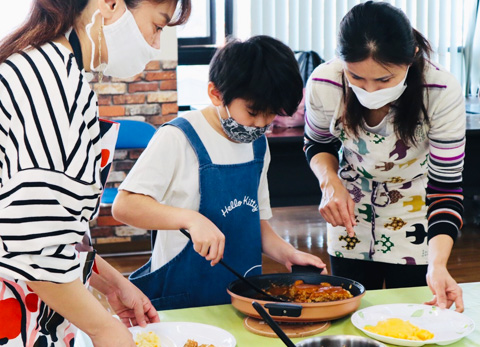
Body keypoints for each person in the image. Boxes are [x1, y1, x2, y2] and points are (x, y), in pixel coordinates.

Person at [0, 0, 190, 346]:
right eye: (158, 25)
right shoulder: (50, 82)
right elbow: (33, 246)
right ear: (111, 3)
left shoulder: (50, 67)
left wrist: (115, 285)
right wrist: (104, 328)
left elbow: (59, 226)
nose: (156, 43)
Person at [112, 35, 327, 310]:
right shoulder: (178, 137)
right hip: (183, 299)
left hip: (243, 297)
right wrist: (190, 219)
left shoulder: (258, 145)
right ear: (216, 93)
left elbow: (254, 222)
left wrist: (288, 253)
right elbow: (125, 206)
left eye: (271, 114)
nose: (260, 124)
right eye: (252, 112)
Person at [304, 1, 464, 312]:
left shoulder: (440, 90)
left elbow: (446, 188)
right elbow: (316, 144)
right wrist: (329, 181)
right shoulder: (325, 82)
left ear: (411, 58)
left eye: (384, 80)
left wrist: (439, 264)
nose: (369, 89)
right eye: (357, 77)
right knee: (353, 310)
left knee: (413, 312)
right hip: (349, 208)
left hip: (416, 208)